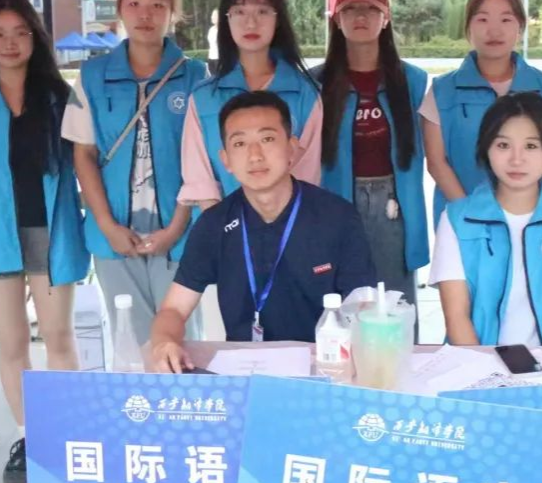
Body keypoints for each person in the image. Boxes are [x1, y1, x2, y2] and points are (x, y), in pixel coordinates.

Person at [0, 0, 89, 483]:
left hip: (49, 230)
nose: (9, 43)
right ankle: (31, 437)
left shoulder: (61, 97)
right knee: (11, 343)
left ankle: (66, 433)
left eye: (20, 33)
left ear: (35, 38)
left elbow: (82, 164)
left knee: (59, 337)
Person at [150, 91, 376, 372]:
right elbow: (173, 309)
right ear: (226, 160)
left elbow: (364, 308)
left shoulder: (338, 217)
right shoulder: (214, 224)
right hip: (244, 372)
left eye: (267, 139)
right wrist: (164, 342)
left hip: (325, 369)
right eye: (240, 143)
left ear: (292, 149)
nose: (255, 156)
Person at [62, 0, 206, 346]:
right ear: (120, 9)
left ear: (172, 13)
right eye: (134, 3)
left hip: (178, 236)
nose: (146, 14)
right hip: (114, 236)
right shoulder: (92, 76)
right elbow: (83, 155)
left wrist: (176, 229)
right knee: (132, 343)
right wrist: (107, 226)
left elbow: (200, 163)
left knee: (183, 341)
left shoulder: (195, 77)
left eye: (158, 4)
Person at [430, 92, 542, 347]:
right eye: (503, 145)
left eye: (531, 146)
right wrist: (484, 370)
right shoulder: (456, 219)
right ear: (486, 150)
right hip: (476, 361)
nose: (516, 159)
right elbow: (456, 318)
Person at [313, 0, 429, 333]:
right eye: (350, 9)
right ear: (337, 19)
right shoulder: (316, 82)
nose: (360, 16)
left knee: (395, 304)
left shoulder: (413, 81)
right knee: (342, 302)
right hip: (337, 201)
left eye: (371, 9)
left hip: (393, 204)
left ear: (386, 17)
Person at [421, 0, 542, 226]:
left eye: (506, 20)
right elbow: (436, 163)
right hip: (464, 224)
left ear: (520, 28)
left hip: (527, 224)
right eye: (483, 19)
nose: (494, 31)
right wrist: (471, 215)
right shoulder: (443, 90)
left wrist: (528, 214)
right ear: (468, 28)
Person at [180, 0, 322, 212]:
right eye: (239, 12)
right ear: (226, 20)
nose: (251, 23)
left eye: (262, 11)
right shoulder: (204, 97)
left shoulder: (306, 94)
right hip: (220, 226)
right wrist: (224, 228)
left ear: (278, 19)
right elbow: (200, 179)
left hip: (290, 226)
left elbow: (308, 175)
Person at [206, 8, 219, 76]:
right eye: (212, 15)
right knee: (212, 77)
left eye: (214, 16)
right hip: (211, 58)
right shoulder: (211, 30)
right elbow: (211, 44)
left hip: (219, 58)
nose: (212, 17)